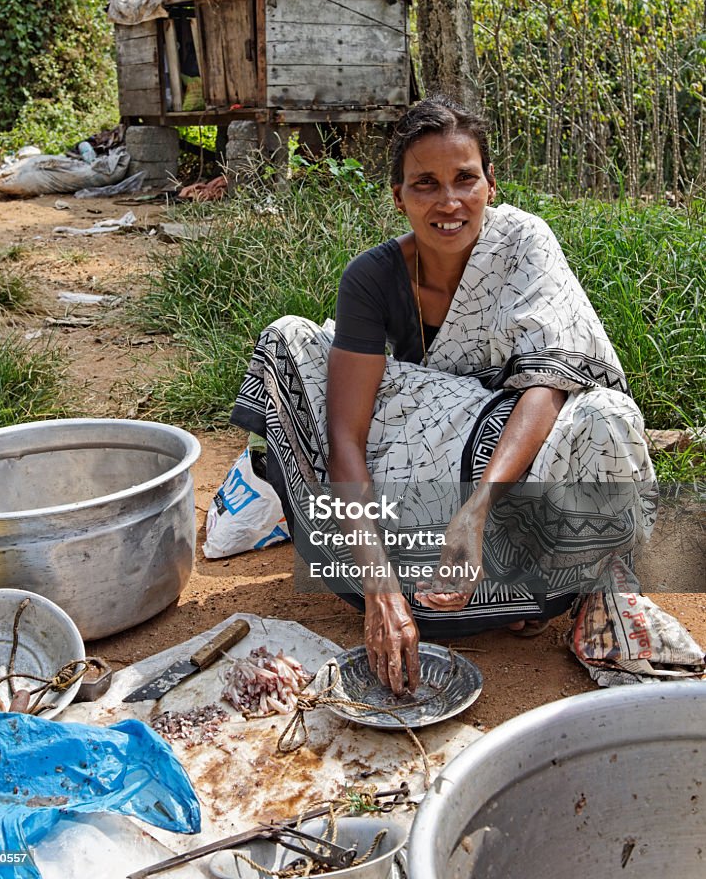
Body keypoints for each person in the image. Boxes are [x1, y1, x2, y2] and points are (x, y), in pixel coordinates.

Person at [231, 95, 657, 694]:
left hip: (509, 458)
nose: (449, 202)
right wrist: (379, 589)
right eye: (425, 184)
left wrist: (476, 508)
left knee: (606, 416)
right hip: (422, 460)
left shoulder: (523, 244)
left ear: (490, 183)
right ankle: (483, 583)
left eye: (465, 179)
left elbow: (548, 384)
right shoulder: (373, 278)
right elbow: (346, 438)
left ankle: (568, 588)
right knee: (292, 344)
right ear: (398, 196)